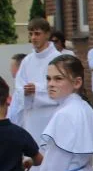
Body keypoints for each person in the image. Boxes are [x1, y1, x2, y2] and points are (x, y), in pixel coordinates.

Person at [10, 18, 62, 150]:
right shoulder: (27, 60)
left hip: (51, 114)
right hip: (32, 117)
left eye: (37, 33)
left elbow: (61, 86)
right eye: (31, 34)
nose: (33, 37)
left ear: (47, 34)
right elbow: (19, 86)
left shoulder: (57, 59)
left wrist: (37, 90)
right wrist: (25, 91)